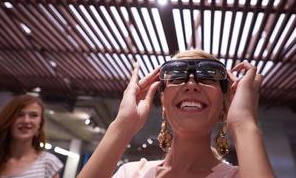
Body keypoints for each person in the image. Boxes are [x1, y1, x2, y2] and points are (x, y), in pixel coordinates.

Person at [77, 49, 275, 178]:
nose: (191, 84)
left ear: (224, 105)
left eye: (207, 75)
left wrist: (244, 124)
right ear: (163, 101)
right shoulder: (133, 173)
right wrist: (122, 126)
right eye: (176, 75)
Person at [0, 94, 63, 178]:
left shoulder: (48, 163)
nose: (26, 120)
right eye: (20, 115)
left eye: (33, 115)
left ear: (40, 124)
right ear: (9, 119)